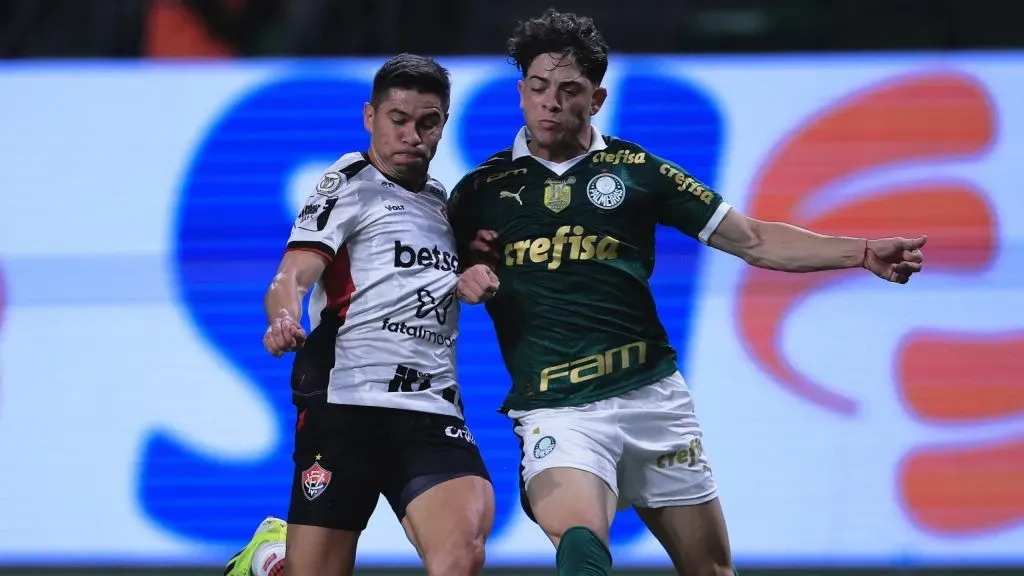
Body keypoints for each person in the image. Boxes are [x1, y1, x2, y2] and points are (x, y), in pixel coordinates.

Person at [447, 9, 927, 576]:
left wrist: (862, 252)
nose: (551, 101)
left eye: (568, 89)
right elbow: (428, 276)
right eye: (538, 87)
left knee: (711, 570)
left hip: (653, 400)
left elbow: (753, 240)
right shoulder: (478, 192)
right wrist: (462, 279)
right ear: (522, 91)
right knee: (579, 542)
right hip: (557, 409)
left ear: (596, 100)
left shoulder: (637, 172)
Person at [223, 53, 500, 576]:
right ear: (370, 117)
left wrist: (473, 275)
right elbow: (291, 276)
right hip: (346, 402)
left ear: (443, 123)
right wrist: (284, 318)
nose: (412, 135)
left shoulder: (444, 204)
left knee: (462, 551)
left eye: (428, 122)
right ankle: (275, 560)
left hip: (430, 406)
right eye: (398, 120)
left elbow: (443, 277)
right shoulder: (348, 181)